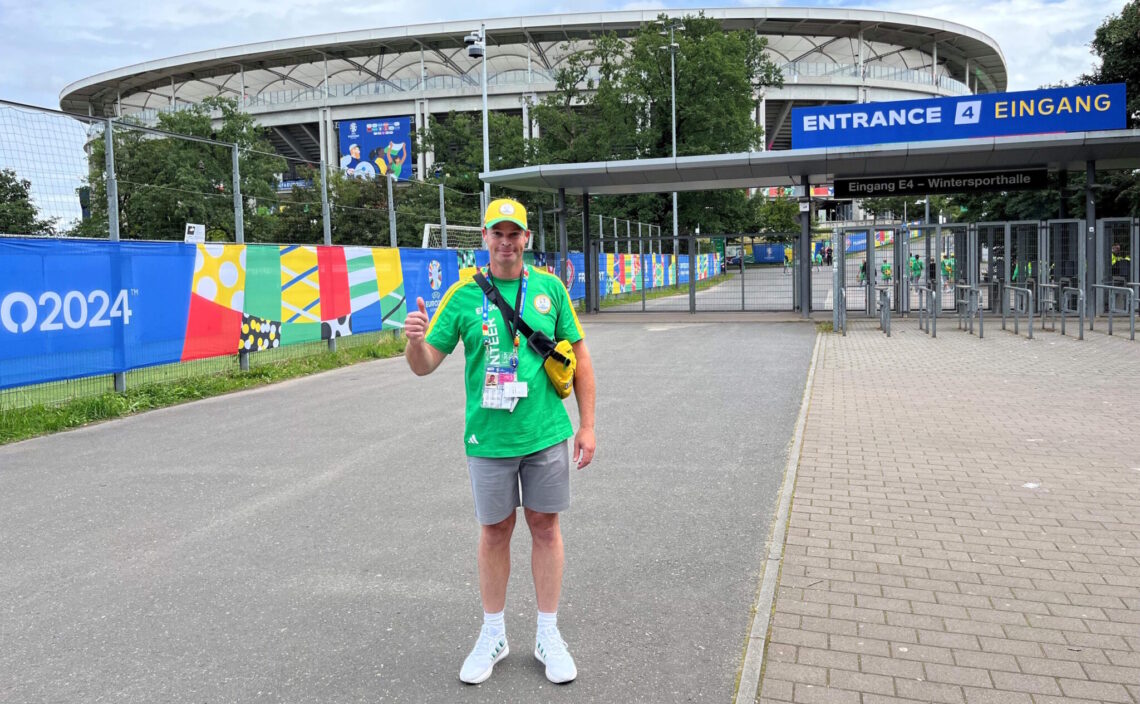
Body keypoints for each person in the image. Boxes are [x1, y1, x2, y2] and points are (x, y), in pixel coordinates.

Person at [404, 198, 597, 686]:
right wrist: (414, 341)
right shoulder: (464, 295)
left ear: (527, 239)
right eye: (498, 233)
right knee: (494, 532)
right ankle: (494, 633)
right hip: (487, 438)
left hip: (546, 434)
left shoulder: (550, 289)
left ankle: (547, 633)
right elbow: (426, 364)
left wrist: (588, 424)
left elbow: (581, 359)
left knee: (546, 528)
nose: (506, 242)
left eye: (515, 234)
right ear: (484, 238)